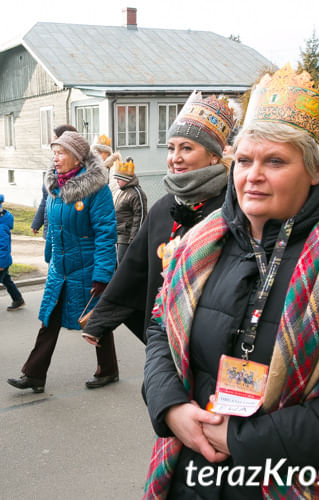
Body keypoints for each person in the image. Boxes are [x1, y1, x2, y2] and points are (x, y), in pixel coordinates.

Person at [142, 65, 319, 500]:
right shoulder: (202, 240)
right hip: (192, 472)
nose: (252, 175)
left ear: (314, 169)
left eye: (275, 161)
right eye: (245, 160)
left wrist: (242, 441)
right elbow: (161, 327)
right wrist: (171, 407)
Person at [82, 92, 233, 353]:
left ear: (213, 156)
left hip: (213, 337)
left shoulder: (233, 208)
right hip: (163, 333)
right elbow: (134, 267)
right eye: (171, 148)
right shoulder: (165, 207)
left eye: (187, 148)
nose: (175, 157)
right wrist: (99, 321)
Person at [7, 131, 117, 392]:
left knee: (94, 319)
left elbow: (105, 233)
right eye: (53, 153)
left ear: (77, 157)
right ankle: (34, 374)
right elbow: (54, 227)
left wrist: (102, 274)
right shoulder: (55, 187)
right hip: (61, 268)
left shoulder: (96, 190)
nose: (55, 159)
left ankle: (108, 369)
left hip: (87, 267)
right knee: (49, 319)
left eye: (61, 153)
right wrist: (50, 255)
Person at [31, 124, 77, 236]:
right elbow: (46, 197)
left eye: (56, 138)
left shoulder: (74, 171)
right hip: (51, 227)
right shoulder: (53, 165)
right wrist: (37, 222)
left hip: (66, 231)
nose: (52, 140)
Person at [112, 157, 147, 264]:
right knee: (116, 265)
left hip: (127, 239)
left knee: (124, 265)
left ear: (127, 179)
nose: (117, 181)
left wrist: (134, 240)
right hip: (117, 236)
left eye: (119, 178)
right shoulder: (119, 192)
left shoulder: (137, 193)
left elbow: (140, 218)